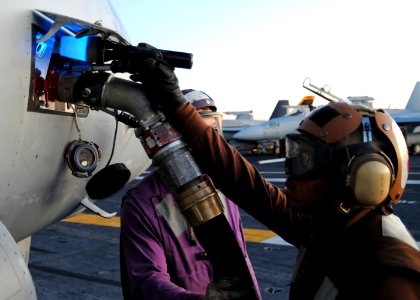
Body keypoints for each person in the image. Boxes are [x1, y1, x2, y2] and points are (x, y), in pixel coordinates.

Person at [130, 46, 420, 299]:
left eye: (306, 161)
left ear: (362, 179)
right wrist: (173, 100)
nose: (290, 174)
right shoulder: (332, 225)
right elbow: (242, 181)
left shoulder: (389, 279)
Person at [120, 89, 260, 300]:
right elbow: (146, 282)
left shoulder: (223, 185)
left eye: (212, 132)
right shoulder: (143, 204)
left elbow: (241, 256)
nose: (210, 142)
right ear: (171, 137)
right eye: (199, 133)